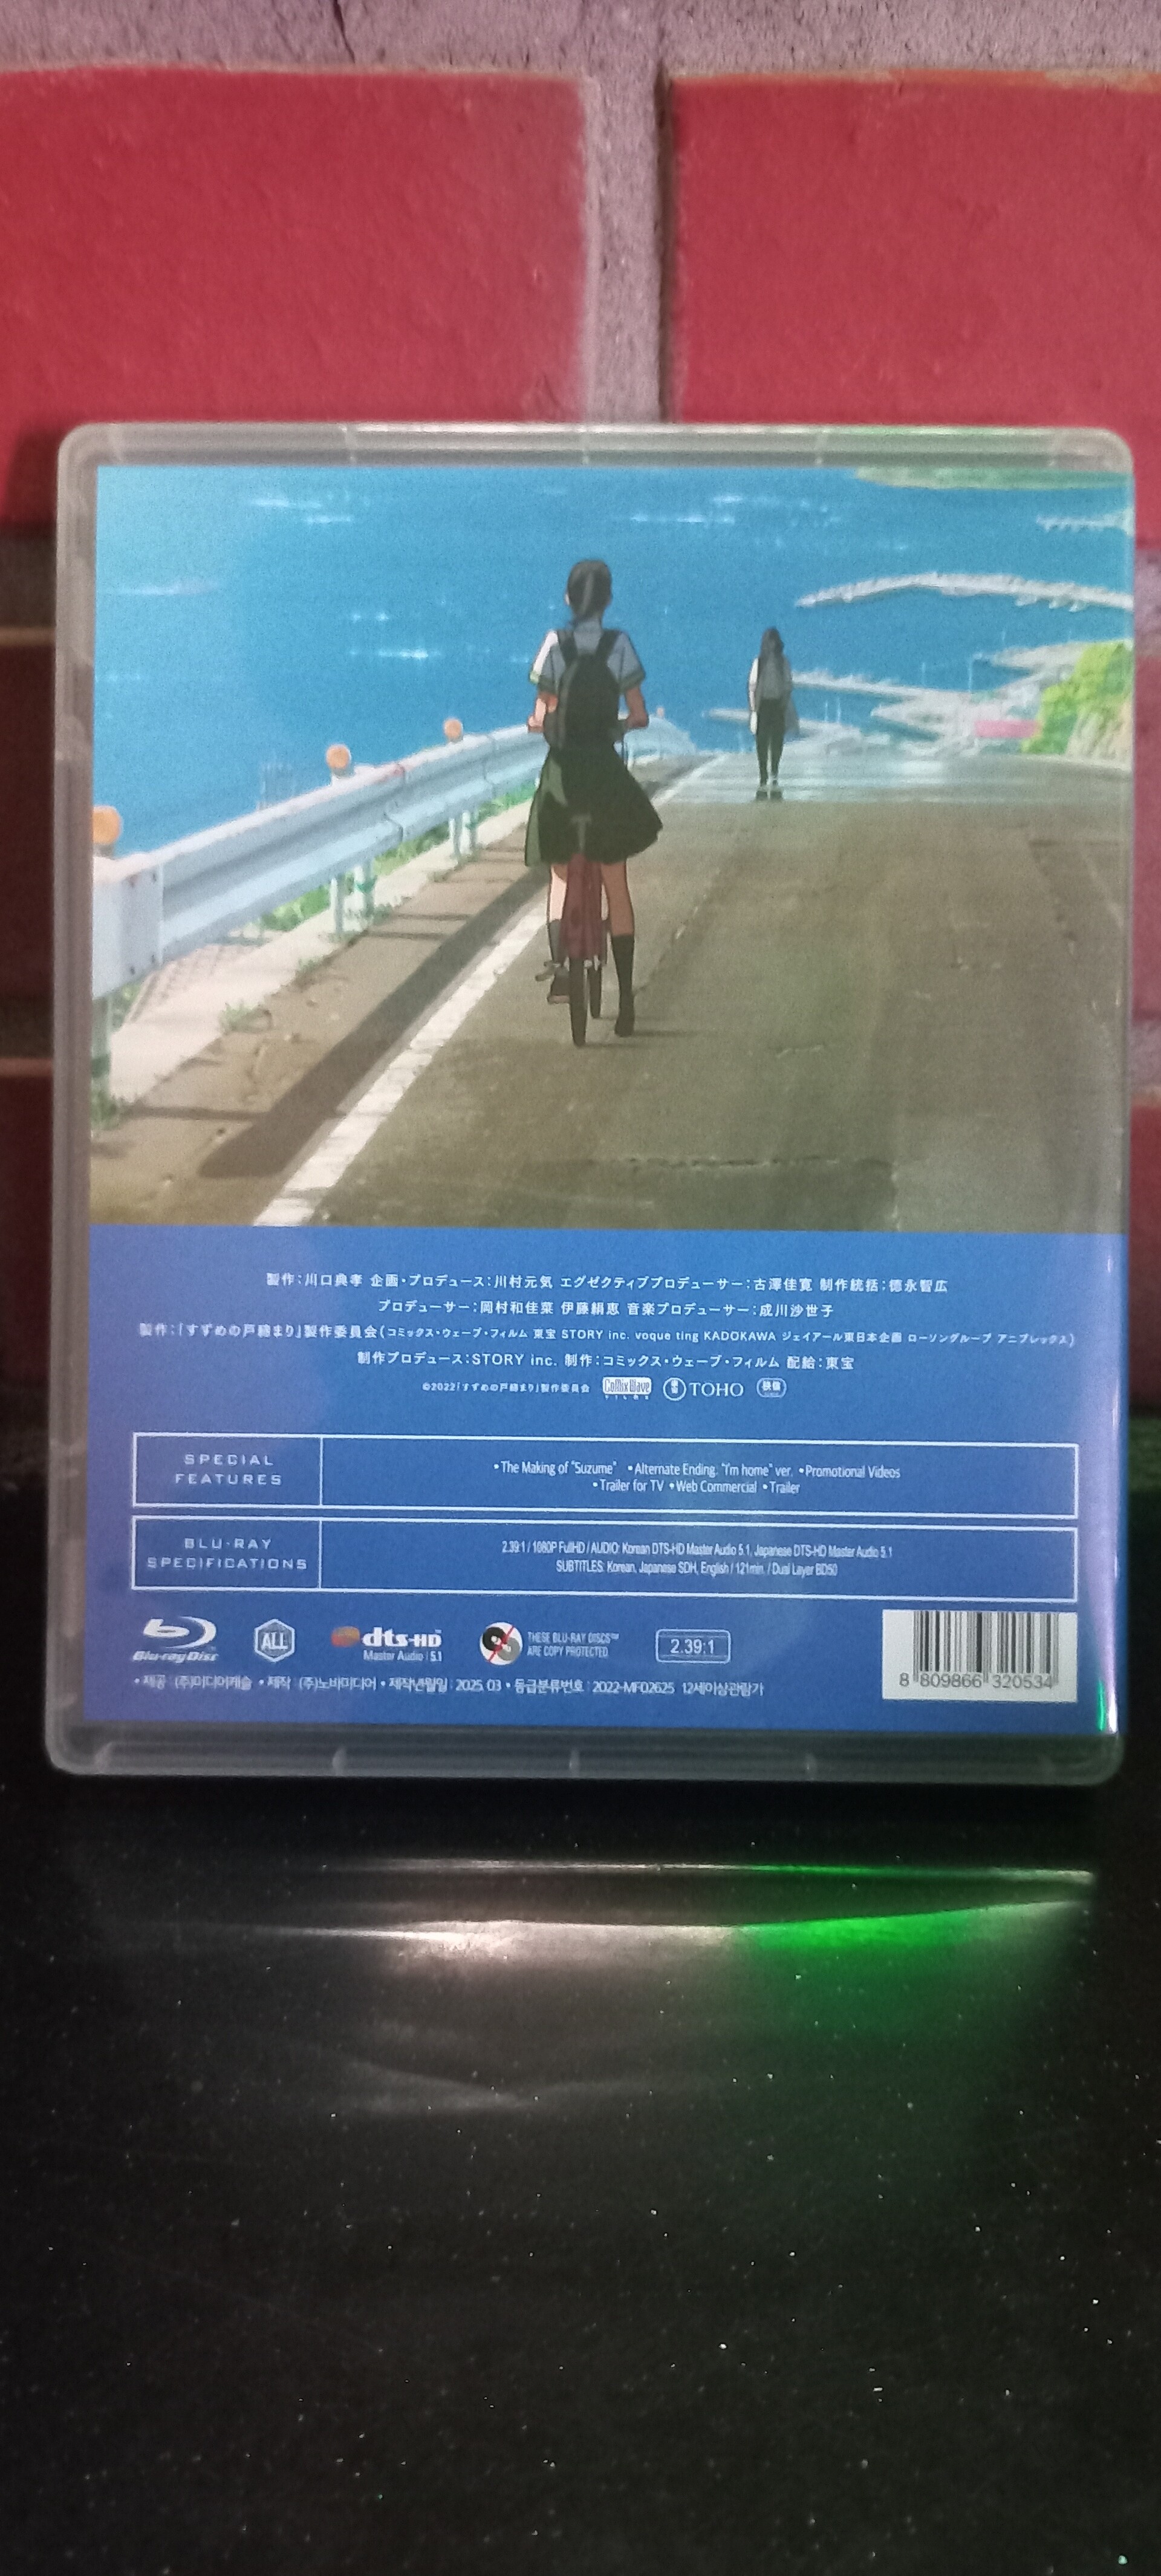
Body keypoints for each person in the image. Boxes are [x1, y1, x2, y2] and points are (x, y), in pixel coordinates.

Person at [525, 558, 660, 1036]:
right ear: (607, 601)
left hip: (563, 777)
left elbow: (541, 713)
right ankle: (625, 1003)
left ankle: (562, 968)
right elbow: (639, 714)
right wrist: (621, 726)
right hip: (604, 774)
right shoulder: (619, 645)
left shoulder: (554, 645)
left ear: (568, 599)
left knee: (560, 875)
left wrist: (542, 723)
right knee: (615, 884)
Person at [748, 626, 793, 798]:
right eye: (769, 642)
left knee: (776, 741)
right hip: (764, 706)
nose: (771, 645)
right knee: (762, 743)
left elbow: (788, 684)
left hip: (777, 705)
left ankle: (774, 771)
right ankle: (763, 774)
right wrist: (754, 708)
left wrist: (785, 702)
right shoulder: (759, 662)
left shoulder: (783, 662)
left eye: (774, 642)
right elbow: (752, 686)